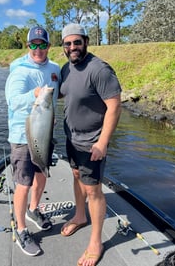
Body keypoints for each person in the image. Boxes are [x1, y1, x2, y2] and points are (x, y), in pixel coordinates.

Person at [59, 23, 122, 266]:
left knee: (94, 190)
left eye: (77, 42)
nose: (73, 47)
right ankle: (79, 215)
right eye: (68, 43)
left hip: (92, 142)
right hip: (72, 139)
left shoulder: (99, 69)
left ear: (86, 41)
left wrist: (103, 142)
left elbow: (115, 106)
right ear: (63, 46)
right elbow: (67, 92)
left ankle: (96, 241)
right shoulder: (66, 69)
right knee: (76, 176)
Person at [5, 26, 60, 256]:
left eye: (42, 44)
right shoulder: (19, 70)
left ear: (48, 45)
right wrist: (33, 95)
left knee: (42, 173)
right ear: (28, 46)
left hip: (45, 132)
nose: (38, 49)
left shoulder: (55, 68)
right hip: (22, 136)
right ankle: (21, 229)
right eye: (34, 45)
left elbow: (61, 92)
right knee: (24, 183)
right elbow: (13, 101)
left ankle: (34, 209)